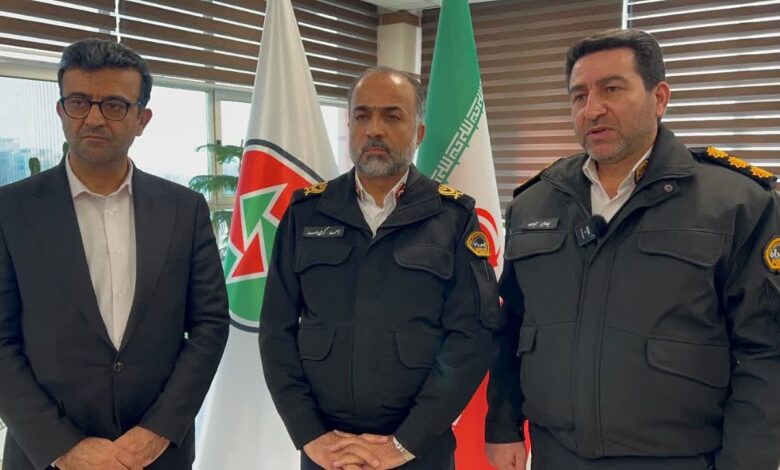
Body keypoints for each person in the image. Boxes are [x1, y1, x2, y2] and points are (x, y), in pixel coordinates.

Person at [486, 28, 780, 470]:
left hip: (680, 458)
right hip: (556, 453)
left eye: (612, 89)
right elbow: (512, 325)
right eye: (579, 95)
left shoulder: (737, 203)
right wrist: (503, 426)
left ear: (659, 98)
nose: (592, 109)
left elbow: (765, 351)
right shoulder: (535, 202)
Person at [0, 38, 230, 470]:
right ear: (60, 110)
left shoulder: (184, 209)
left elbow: (209, 325)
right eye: (78, 102)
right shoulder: (10, 210)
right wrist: (65, 448)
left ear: (142, 119)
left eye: (114, 105)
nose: (93, 118)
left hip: (156, 454)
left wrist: (158, 431)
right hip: (45, 455)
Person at [259, 66, 500, 470]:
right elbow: (276, 331)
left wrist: (407, 442)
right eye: (361, 115)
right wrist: (309, 435)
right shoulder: (306, 213)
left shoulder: (453, 217)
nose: (374, 129)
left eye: (392, 116)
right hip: (328, 451)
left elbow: (471, 338)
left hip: (419, 450)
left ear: (419, 132)